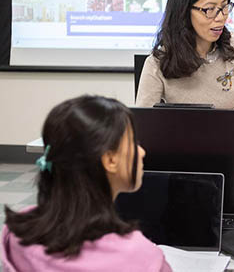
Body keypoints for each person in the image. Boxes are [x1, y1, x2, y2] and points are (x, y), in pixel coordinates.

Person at [1, 95, 171, 272]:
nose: (141, 152)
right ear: (110, 160)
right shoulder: (141, 257)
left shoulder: (17, 233)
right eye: (134, 142)